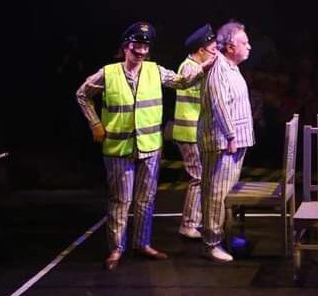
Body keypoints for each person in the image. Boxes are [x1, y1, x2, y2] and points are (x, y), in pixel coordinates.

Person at [76, 22, 215, 271]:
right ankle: (117, 248)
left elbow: (181, 82)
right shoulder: (108, 73)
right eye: (136, 46)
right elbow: (82, 94)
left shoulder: (155, 71)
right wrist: (95, 122)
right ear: (126, 46)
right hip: (119, 148)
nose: (140, 51)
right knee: (121, 199)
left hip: (150, 146)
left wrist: (203, 68)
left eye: (145, 47)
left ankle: (142, 243)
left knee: (146, 199)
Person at [198, 21, 254, 263]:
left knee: (225, 194)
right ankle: (211, 243)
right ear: (230, 47)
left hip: (235, 142)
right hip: (222, 142)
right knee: (216, 193)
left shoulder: (232, 67)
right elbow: (219, 104)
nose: (249, 46)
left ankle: (223, 237)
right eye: (244, 42)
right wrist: (231, 135)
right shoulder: (217, 68)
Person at [171, 24, 217, 239]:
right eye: (212, 50)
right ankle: (188, 224)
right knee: (197, 177)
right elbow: (189, 79)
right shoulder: (188, 67)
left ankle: (196, 221)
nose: (215, 53)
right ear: (201, 50)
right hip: (188, 132)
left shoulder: (197, 66)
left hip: (196, 131)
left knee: (201, 177)